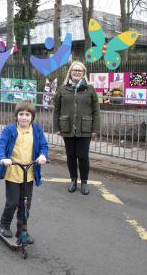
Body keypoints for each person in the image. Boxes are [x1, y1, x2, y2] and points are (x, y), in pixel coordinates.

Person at [0, 100, 48, 245]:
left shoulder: (36, 130)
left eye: (27, 115)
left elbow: (44, 145)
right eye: (21, 114)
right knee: (12, 202)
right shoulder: (10, 130)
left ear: (32, 117)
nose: (24, 117)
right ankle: (4, 224)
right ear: (16, 116)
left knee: (25, 204)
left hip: (29, 173)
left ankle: (22, 230)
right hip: (13, 172)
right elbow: (0, 145)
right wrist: (3, 158)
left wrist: (43, 155)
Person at [53, 61, 100, 195]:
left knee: (83, 156)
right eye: (75, 70)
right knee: (71, 156)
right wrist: (57, 127)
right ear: (70, 72)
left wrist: (95, 129)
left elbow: (96, 110)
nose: (77, 72)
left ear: (83, 73)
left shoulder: (90, 89)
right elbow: (57, 110)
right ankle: (73, 180)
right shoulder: (62, 89)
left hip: (85, 128)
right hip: (67, 127)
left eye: (80, 70)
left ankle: (84, 182)